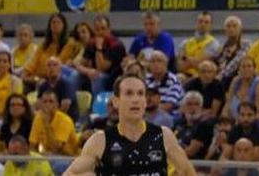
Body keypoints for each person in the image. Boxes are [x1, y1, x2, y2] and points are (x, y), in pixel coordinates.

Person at [62, 75, 196, 176]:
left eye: (140, 94)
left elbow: (187, 172)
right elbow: (72, 173)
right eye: (129, 93)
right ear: (116, 101)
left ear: (144, 102)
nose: (135, 99)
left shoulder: (164, 135)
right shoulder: (100, 141)